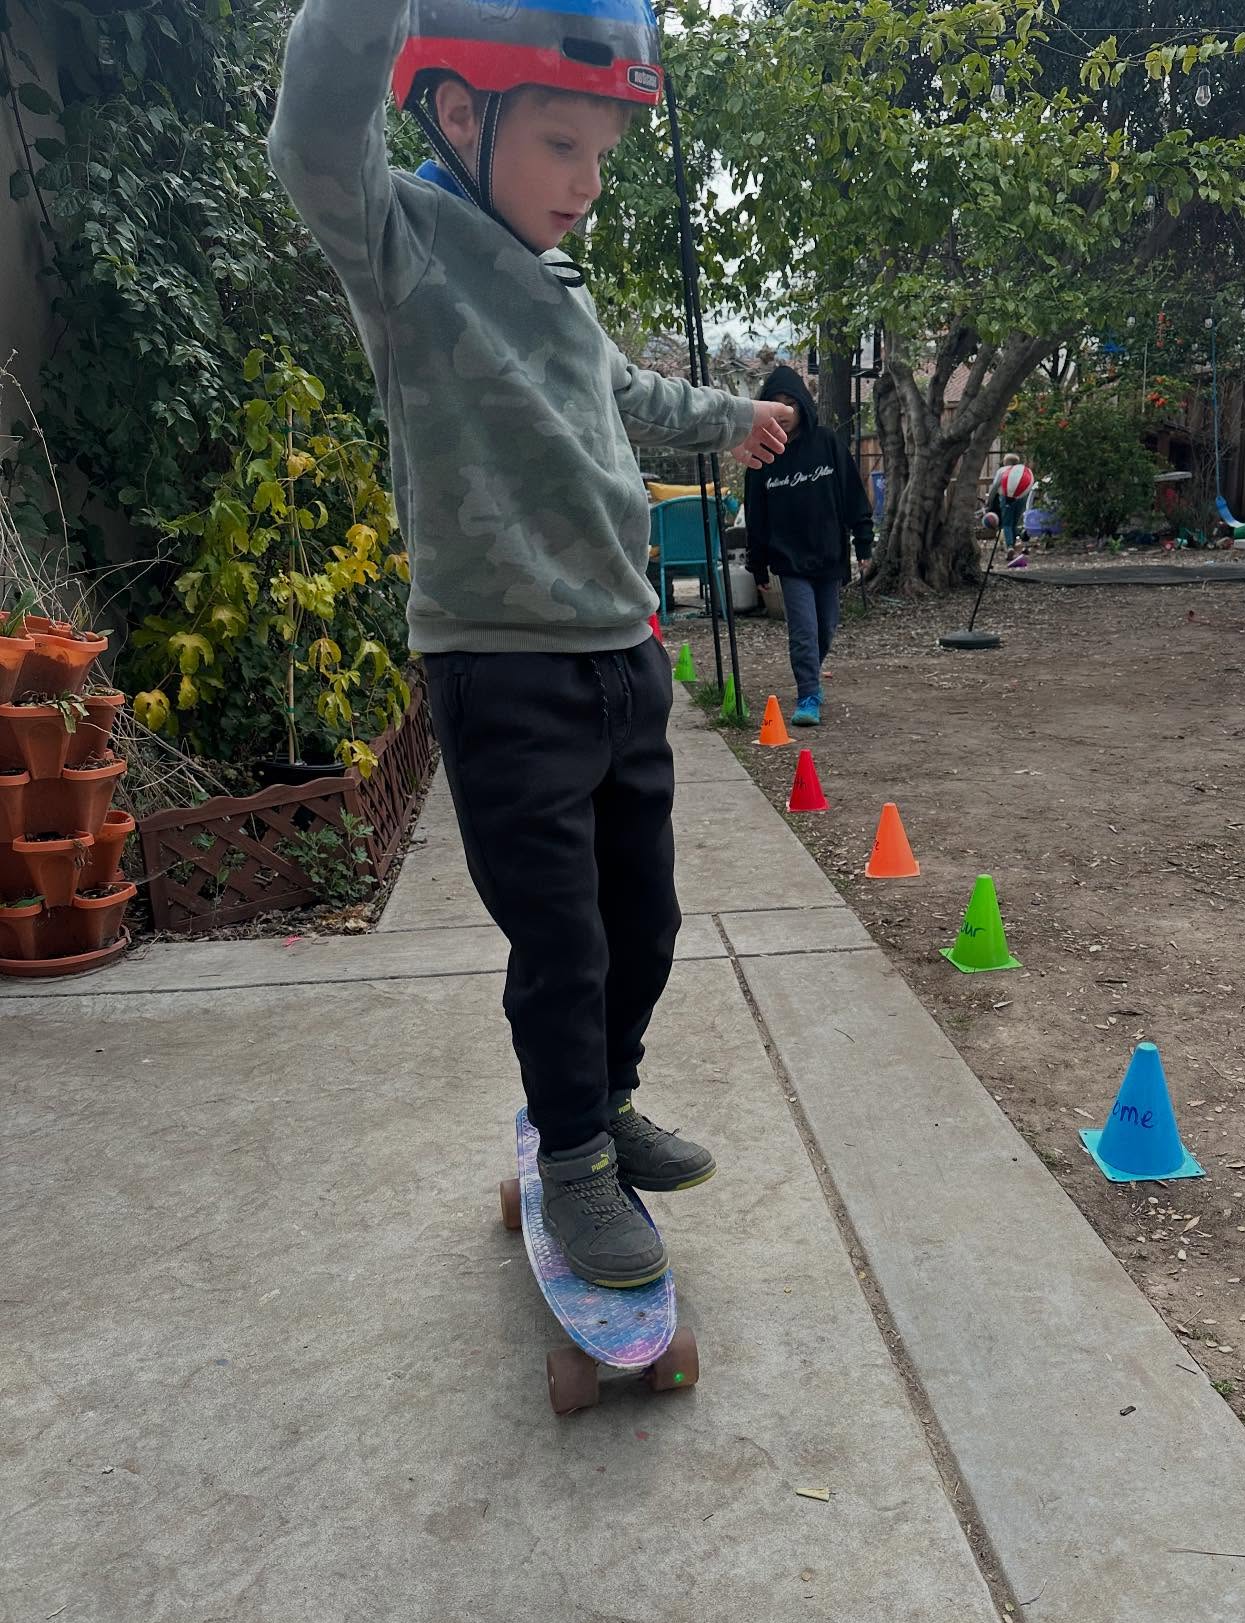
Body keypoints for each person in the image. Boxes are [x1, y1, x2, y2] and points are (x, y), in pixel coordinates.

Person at [269, 0, 789, 1288]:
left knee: (646, 921)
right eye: (561, 144)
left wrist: (729, 416)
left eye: (602, 154)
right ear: (460, 113)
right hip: (502, 666)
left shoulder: (559, 280)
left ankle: (606, 1102)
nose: (588, 183)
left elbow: (622, 390)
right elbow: (314, 139)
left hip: (621, 651)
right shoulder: (401, 244)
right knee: (561, 939)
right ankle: (571, 1162)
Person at [743, 367, 873, 728]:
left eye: (790, 405)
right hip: (789, 558)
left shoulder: (828, 443)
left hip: (829, 554)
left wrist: (864, 541)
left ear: (801, 406)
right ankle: (807, 693)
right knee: (803, 629)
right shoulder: (761, 454)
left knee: (826, 626)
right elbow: (756, 514)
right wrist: (757, 564)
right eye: (775, 406)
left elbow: (853, 495)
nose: (783, 413)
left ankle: (811, 677)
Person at [985, 454, 1032, 559]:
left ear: (1005, 462)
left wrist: (989, 501)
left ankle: (1010, 546)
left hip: (1006, 498)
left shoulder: (1002, 470)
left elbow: (995, 485)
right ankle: (1018, 543)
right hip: (1021, 498)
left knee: (1007, 523)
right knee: (1015, 523)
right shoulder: (1023, 471)